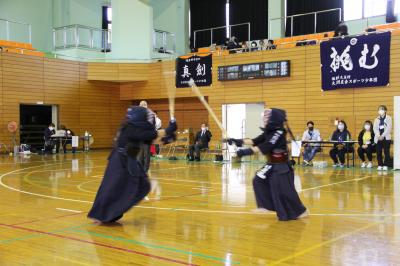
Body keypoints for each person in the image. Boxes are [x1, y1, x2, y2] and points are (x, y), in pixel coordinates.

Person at [88, 106, 177, 223]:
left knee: (142, 185)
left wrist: (169, 139)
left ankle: (113, 212)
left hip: (129, 159)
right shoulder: (130, 128)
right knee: (112, 188)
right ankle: (100, 215)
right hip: (119, 161)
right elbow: (150, 135)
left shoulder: (137, 130)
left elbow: (151, 140)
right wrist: (168, 129)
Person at [227, 108, 308, 221]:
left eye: (267, 117)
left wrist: (245, 152)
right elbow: (255, 141)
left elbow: (267, 146)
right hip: (271, 164)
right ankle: (264, 206)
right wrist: (237, 141)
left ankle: (301, 211)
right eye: (264, 117)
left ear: (273, 119)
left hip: (281, 166)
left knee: (283, 190)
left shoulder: (279, 132)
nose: (264, 120)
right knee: (258, 179)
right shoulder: (268, 132)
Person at [373, 105, 392, 171]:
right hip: (378, 138)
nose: (380, 111)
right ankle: (380, 164)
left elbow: (388, 128)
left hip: (386, 138)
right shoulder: (376, 119)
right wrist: (378, 136)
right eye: (379, 109)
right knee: (378, 152)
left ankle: (385, 165)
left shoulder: (389, 118)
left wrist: (383, 135)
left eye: (382, 109)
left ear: (385, 110)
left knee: (386, 152)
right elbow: (375, 128)